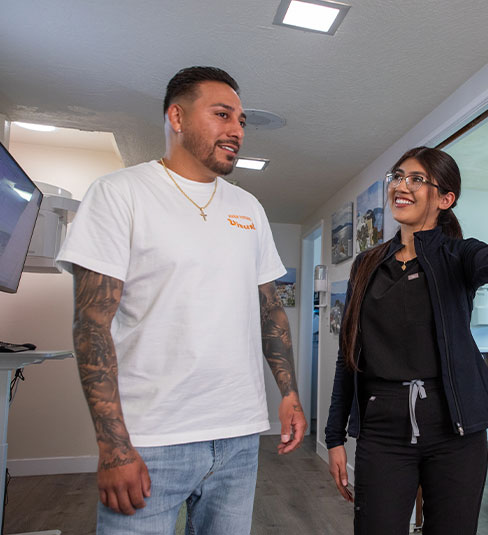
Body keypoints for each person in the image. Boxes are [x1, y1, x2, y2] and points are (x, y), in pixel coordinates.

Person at [56, 66, 307, 534]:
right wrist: (114, 447)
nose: (236, 130)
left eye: (242, 121)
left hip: (238, 437)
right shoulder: (119, 193)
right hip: (151, 442)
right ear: (177, 116)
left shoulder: (248, 208)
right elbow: (91, 325)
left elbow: (270, 310)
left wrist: (289, 394)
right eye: (222, 114)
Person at [325, 147, 488, 534]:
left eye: (416, 179)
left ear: (445, 199)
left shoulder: (457, 255)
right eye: (398, 177)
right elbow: (347, 356)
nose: (402, 186)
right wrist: (334, 436)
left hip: (454, 430)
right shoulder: (366, 264)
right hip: (382, 431)